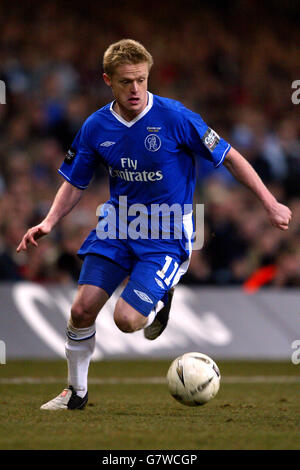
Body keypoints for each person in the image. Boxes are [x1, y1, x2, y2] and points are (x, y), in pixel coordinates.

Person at [17, 39, 292, 410]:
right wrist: (49, 221)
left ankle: (165, 289)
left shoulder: (175, 117)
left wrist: (270, 202)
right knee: (81, 310)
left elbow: (229, 157)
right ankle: (75, 394)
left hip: (165, 234)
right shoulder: (96, 126)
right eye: (126, 81)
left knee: (128, 321)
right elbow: (75, 182)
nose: (135, 89)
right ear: (107, 80)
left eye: (141, 80)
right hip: (118, 226)